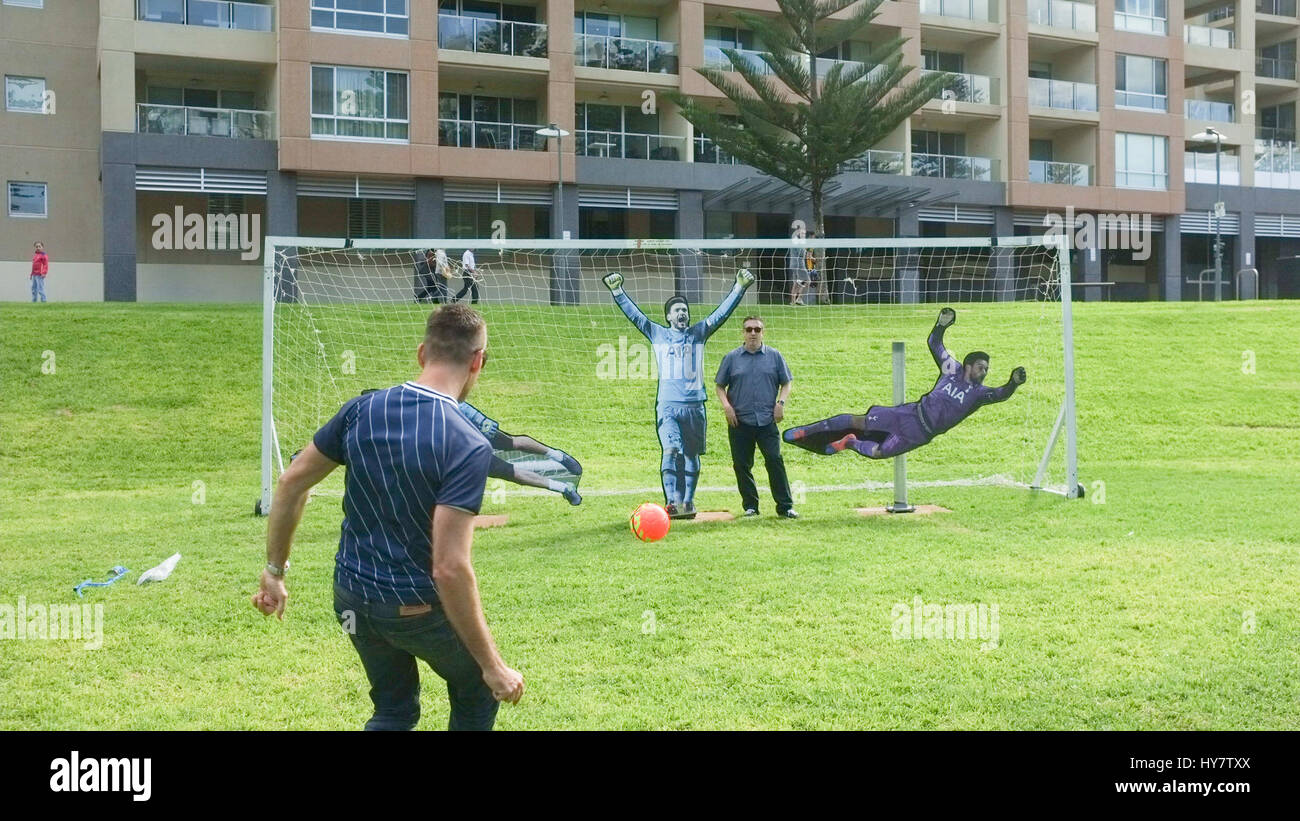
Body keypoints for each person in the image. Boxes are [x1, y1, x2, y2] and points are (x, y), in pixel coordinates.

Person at [251, 304, 524, 731]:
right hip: (414, 608)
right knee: (477, 690)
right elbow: (449, 567)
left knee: (394, 711)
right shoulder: (468, 444)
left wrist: (274, 570)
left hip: (352, 600)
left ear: (421, 354)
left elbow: (291, 483)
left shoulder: (361, 409)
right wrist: (494, 667)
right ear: (477, 361)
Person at [602, 267, 756, 518]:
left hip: (695, 406)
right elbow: (636, 317)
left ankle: (688, 502)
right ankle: (672, 502)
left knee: (692, 455)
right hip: (668, 406)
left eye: (685, 309)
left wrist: (739, 287)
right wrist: (618, 291)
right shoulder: (658, 334)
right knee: (671, 449)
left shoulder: (699, 332)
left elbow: (721, 314)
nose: (682, 313)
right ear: (668, 317)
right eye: (677, 310)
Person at [783, 307, 1027, 459]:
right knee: (861, 420)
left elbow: (1001, 394)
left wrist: (1013, 382)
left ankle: (850, 442)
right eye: (981, 367)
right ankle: (809, 430)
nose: (984, 372)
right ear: (969, 365)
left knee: (880, 453)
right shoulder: (951, 369)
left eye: (987, 370)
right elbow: (934, 344)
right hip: (909, 414)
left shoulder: (979, 394)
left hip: (922, 433)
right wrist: (942, 325)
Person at [714, 316, 797, 518]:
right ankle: (751, 506)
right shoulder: (731, 358)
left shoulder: (775, 356)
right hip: (739, 421)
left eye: (757, 330)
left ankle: (785, 507)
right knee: (742, 465)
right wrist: (727, 407)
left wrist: (781, 403)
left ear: (763, 332)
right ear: (743, 333)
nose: (753, 333)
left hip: (766, 420)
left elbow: (786, 383)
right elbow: (719, 386)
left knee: (774, 460)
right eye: (749, 329)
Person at [457, 400, 584, 505]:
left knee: (510, 443)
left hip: (464, 419)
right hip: (459, 445)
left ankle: (559, 456)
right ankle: (565, 488)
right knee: (509, 472)